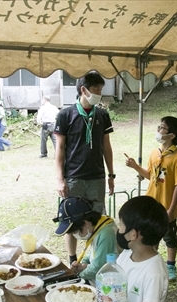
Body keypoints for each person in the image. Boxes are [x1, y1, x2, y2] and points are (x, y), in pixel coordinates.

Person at [54, 71, 115, 265]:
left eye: (100, 89)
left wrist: (111, 174)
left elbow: (107, 146)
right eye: (96, 89)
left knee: (97, 218)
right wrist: (60, 179)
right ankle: (72, 259)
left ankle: (95, 259)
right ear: (83, 90)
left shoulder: (103, 115)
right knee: (71, 220)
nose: (99, 93)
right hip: (74, 176)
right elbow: (60, 149)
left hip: (97, 176)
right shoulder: (65, 114)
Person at [125, 116, 177, 281]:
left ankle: (171, 264)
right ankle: (152, 261)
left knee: (169, 236)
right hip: (150, 204)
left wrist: (171, 209)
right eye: (159, 126)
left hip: (166, 206)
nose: (158, 130)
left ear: (172, 135)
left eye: (162, 128)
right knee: (150, 234)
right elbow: (151, 176)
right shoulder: (155, 153)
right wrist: (135, 166)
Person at [116, 196, 169, 302]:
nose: (118, 229)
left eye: (120, 224)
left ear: (133, 234)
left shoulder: (153, 273)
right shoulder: (125, 256)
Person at [53, 196, 117, 283]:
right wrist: (83, 265)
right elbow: (93, 253)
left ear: (85, 223)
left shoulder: (106, 234)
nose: (74, 235)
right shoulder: (96, 227)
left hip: (109, 281)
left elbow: (97, 268)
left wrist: (78, 276)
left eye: (74, 231)